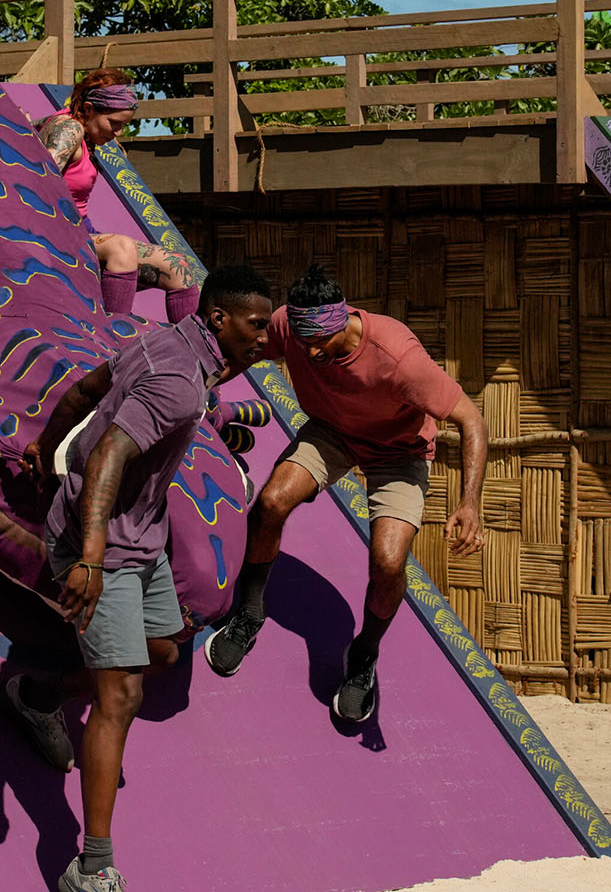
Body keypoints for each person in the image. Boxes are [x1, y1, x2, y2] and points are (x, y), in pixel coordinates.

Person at [4, 264, 274, 892]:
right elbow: (107, 456)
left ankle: (39, 696)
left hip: (141, 537)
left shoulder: (162, 339)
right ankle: (91, 866)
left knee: (163, 651)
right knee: (120, 698)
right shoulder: (178, 382)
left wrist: (45, 448)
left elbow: (83, 391)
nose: (264, 338)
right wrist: (92, 557)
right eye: (256, 326)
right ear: (219, 319)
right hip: (100, 542)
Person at [203, 263, 488, 722]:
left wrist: (470, 502)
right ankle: (250, 611)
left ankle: (364, 656)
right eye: (304, 342)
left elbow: (471, 420)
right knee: (272, 502)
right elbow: (245, 354)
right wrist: (197, 387)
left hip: (398, 453)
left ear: (344, 323)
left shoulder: (398, 357)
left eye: (322, 343)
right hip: (331, 432)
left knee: (389, 561)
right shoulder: (289, 325)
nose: (311, 351)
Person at [38, 68, 201, 319]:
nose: (118, 133)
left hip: (83, 233)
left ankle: (192, 353)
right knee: (121, 247)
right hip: (59, 234)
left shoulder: (79, 129)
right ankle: (115, 346)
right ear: (89, 109)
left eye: (124, 125)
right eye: (114, 124)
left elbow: (35, 127)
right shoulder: (70, 130)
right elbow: (39, 183)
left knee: (179, 267)